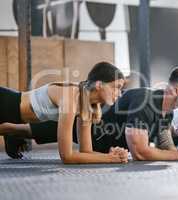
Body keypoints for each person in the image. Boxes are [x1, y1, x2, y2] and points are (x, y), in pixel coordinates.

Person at [2, 66, 178, 161]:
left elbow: (165, 145)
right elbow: (140, 152)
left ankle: (13, 132)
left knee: (35, 121)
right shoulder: (145, 101)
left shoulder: (166, 114)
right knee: (38, 124)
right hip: (99, 130)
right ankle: (13, 131)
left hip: (95, 133)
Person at [0, 61, 128, 164]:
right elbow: (67, 157)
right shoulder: (72, 96)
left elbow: (86, 151)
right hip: (5, 102)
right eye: (116, 87)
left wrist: (111, 155)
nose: (119, 93)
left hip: (14, 116)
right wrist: (110, 159)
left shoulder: (88, 107)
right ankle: (10, 132)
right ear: (99, 84)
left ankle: (10, 132)